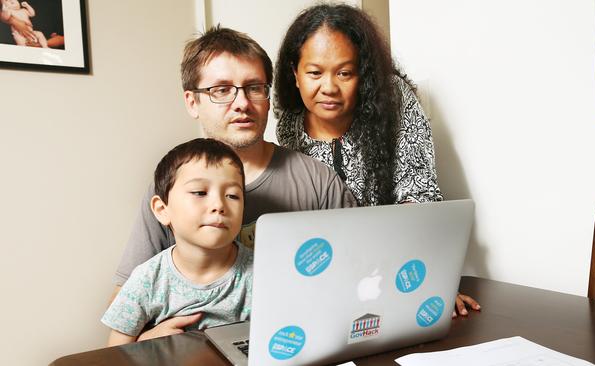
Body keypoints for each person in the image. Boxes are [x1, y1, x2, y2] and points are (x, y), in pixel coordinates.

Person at [111, 26, 357, 340]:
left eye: (254, 87)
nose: (241, 102)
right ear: (192, 102)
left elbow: (357, 274)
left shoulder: (318, 181)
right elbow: (127, 301)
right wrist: (148, 341)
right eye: (221, 89)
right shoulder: (173, 188)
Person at [274, 4, 479, 316]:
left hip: (397, 271)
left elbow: (418, 193)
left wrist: (431, 281)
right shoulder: (289, 122)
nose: (328, 87)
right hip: (326, 284)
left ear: (363, 73)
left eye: (344, 73)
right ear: (295, 73)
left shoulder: (394, 99)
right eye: (314, 73)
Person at [102, 138, 252, 346]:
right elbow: (115, 352)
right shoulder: (147, 279)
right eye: (200, 192)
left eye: (233, 195)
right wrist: (148, 344)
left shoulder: (261, 273)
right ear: (162, 210)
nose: (219, 205)